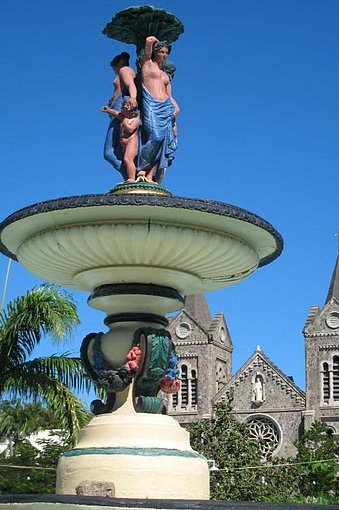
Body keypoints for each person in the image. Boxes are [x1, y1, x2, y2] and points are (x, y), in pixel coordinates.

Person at [137, 36, 180, 183]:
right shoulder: (147, 64)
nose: (164, 54)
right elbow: (148, 41)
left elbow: (170, 97)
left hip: (166, 108)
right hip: (152, 105)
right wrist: (153, 39)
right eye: (161, 51)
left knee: (163, 142)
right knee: (155, 136)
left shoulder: (164, 75)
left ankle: (150, 174)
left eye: (166, 52)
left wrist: (174, 122)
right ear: (155, 52)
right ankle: (140, 167)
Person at [101, 52, 138, 181]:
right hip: (116, 109)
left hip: (119, 111)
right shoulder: (123, 71)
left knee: (109, 152)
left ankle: (130, 177)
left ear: (119, 62)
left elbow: (130, 85)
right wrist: (112, 100)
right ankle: (130, 176)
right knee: (116, 151)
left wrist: (132, 97)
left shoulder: (124, 69)